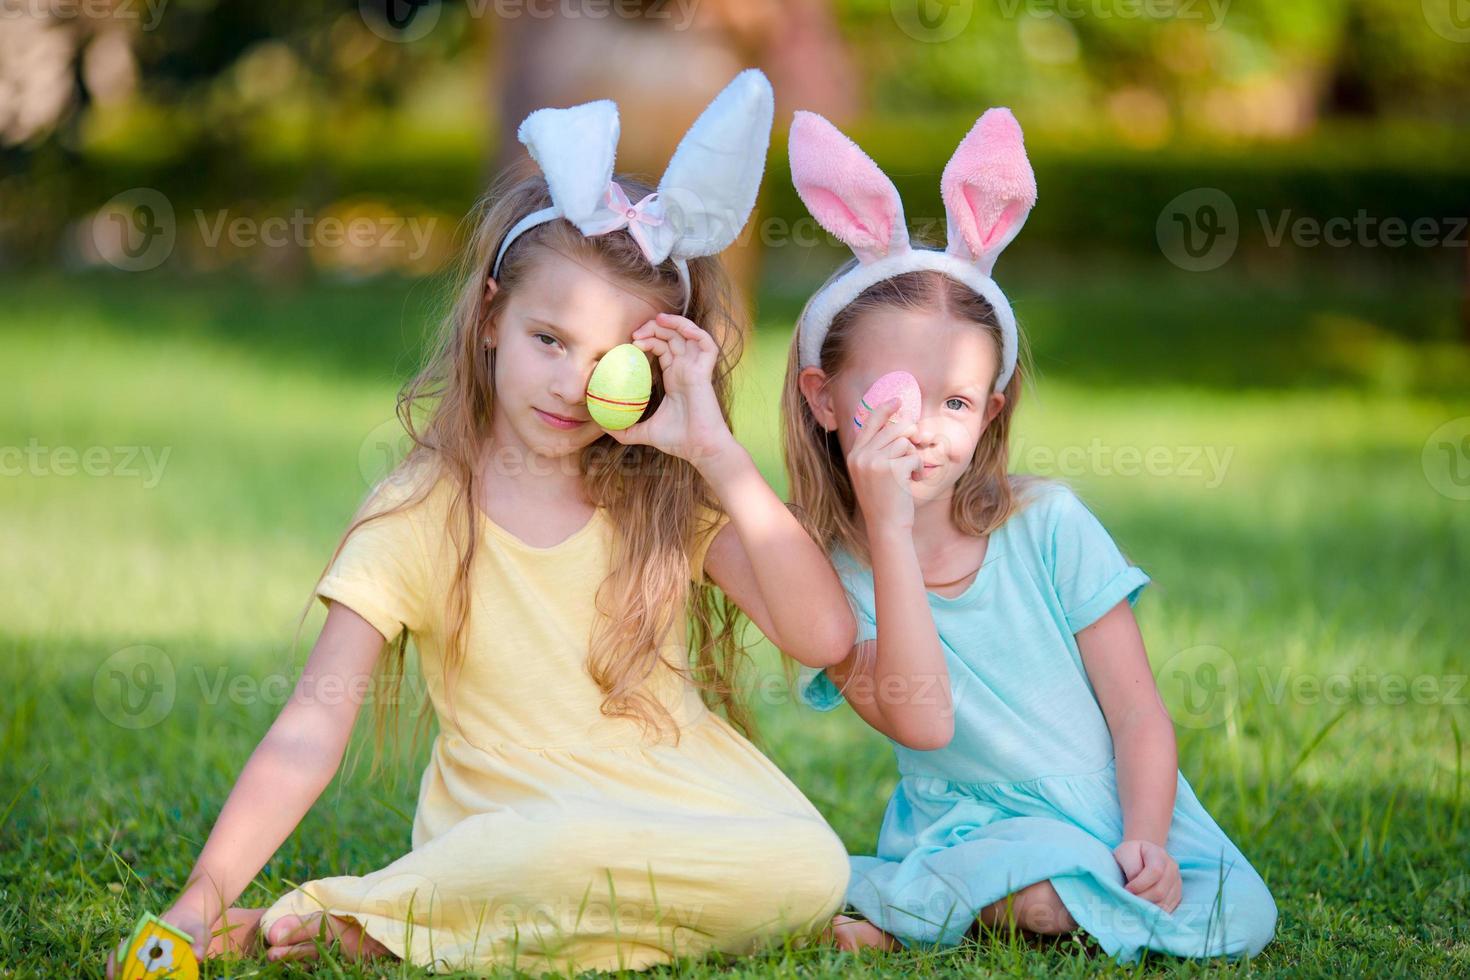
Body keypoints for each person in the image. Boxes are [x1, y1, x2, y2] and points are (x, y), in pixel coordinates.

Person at [107, 69, 856, 976]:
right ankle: (400, 911)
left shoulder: (664, 496)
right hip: (516, 824)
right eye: (551, 340)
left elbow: (822, 634)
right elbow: (314, 722)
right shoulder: (422, 511)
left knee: (814, 868)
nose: (575, 384)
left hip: (682, 800)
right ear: (493, 318)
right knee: (551, 857)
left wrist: (717, 456)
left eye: (614, 359)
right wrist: (201, 896)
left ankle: (452, 928)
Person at [781, 106, 1276, 962]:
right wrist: (889, 531)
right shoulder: (830, 570)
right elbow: (914, 720)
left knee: (1241, 913)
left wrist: (1149, 839)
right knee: (1045, 899)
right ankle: (941, 901)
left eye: (959, 402)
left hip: (1108, 808)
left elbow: (1139, 715)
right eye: (899, 397)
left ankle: (921, 914)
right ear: (825, 399)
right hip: (966, 827)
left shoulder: (1045, 524)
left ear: (992, 410)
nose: (929, 429)